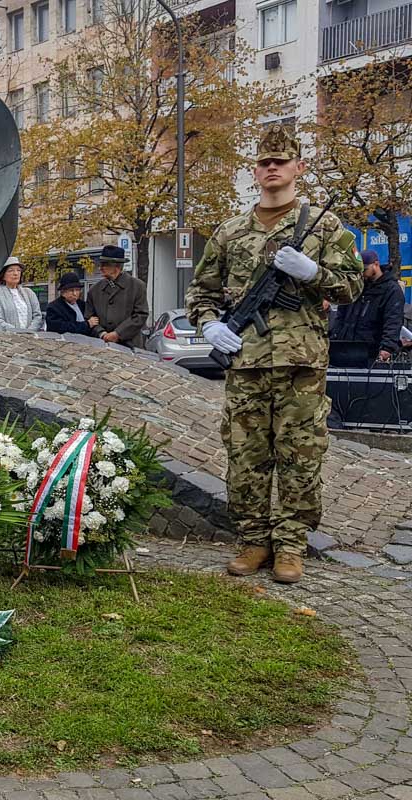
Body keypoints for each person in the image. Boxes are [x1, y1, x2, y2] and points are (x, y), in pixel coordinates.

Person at [186, 125, 363, 584]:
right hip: (245, 363)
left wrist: (312, 272)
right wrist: (211, 325)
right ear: (255, 171)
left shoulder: (324, 227)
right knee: (245, 456)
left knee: (301, 457)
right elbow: (200, 293)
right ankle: (253, 541)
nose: (271, 169)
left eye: (280, 162)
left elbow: (352, 286)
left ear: (297, 168)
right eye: (264, 163)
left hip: (301, 366)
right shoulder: (230, 231)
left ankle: (290, 546)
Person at [329, 250, 403, 362]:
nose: (361, 273)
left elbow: (393, 320)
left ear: (376, 264)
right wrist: (335, 338)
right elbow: (341, 315)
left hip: (372, 350)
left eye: (364, 269)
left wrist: (387, 348)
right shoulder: (357, 286)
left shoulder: (391, 290)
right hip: (346, 348)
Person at [88, 245, 149, 348]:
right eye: (101, 264)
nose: (100, 268)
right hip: (102, 346)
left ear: (117, 267)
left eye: (105, 264)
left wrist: (118, 333)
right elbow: (89, 317)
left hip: (131, 347)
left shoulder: (137, 286)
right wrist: (102, 334)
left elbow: (141, 315)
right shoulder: (94, 290)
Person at [0, 256, 43, 331]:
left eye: (18, 270)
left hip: (30, 338)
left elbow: (37, 316)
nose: (16, 273)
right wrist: (17, 332)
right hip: (7, 339)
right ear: (3, 275)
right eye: (11, 271)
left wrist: (29, 331)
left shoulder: (29, 293)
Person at [45, 271, 98, 336]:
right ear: (63, 292)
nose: (75, 294)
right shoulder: (53, 308)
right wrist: (86, 324)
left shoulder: (83, 305)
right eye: (71, 290)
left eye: (77, 290)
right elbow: (62, 328)